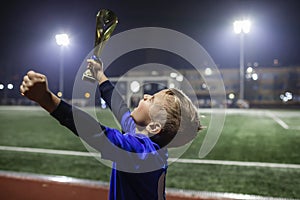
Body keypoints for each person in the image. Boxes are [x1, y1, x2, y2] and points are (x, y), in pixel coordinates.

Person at [20, 58, 202, 200]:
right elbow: (119, 107)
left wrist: (46, 99)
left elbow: (96, 133)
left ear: (154, 126)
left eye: (152, 99)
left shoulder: (141, 153)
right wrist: (100, 75)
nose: (146, 95)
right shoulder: (147, 143)